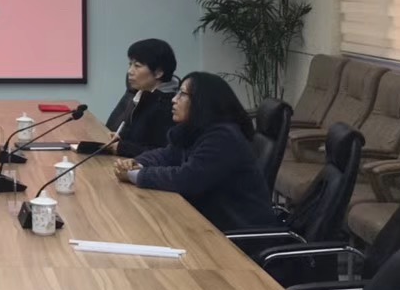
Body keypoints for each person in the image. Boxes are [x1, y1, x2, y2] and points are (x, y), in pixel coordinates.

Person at [111, 72, 278, 232]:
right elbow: (167, 154)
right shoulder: (196, 130)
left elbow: (186, 179)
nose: (174, 99)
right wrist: (138, 163)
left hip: (238, 235)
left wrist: (136, 175)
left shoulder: (223, 138)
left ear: (202, 102)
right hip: (209, 224)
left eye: (182, 94)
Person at [99, 39, 178, 157]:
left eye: (137, 66)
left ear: (158, 73)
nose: (130, 71)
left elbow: (164, 153)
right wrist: (120, 137)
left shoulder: (168, 106)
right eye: (130, 65)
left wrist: (122, 148)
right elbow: (139, 138)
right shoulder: (143, 95)